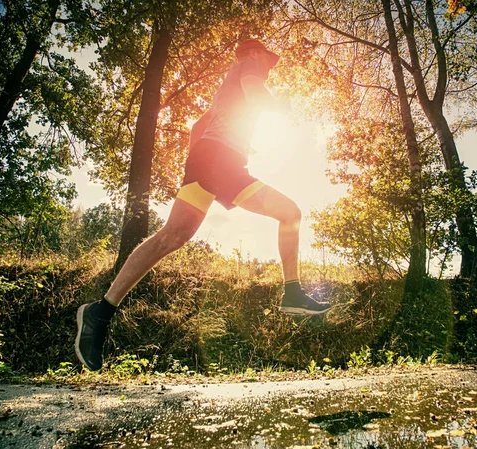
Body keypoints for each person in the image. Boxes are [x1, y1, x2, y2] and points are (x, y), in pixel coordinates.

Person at [75, 39, 331, 372]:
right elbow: (256, 94)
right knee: (290, 213)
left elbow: (198, 127)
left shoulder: (226, 87)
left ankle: (99, 313)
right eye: (269, 60)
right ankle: (293, 292)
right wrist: (285, 111)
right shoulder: (249, 67)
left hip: (210, 160)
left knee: (172, 236)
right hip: (221, 162)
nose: (270, 68)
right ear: (254, 54)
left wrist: (196, 168)